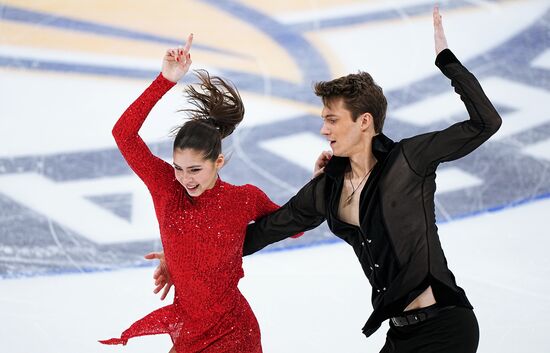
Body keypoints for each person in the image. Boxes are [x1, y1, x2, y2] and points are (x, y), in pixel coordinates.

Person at [151, 6, 502, 353]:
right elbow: (260, 233)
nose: (324, 129)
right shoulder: (328, 189)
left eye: (332, 120)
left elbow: (486, 122)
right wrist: (181, 253)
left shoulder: (408, 161)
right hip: (399, 335)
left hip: (446, 328)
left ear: (364, 121)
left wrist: (446, 60)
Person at [99, 34, 296, 353]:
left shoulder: (242, 198)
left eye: (195, 170)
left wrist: (322, 180)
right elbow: (123, 134)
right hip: (188, 329)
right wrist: (165, 80)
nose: (185, 179)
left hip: (234, 333)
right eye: (178, 167)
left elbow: (295, 224)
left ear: (217, 162)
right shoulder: (166, 187)